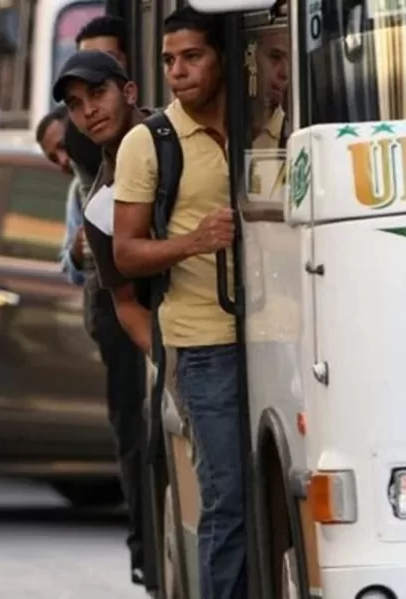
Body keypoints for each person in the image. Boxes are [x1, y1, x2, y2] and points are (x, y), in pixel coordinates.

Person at [112, 8, 244, 599]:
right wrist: (195, 241)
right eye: (169, 60)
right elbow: (125, 254)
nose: (178, 71)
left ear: (222, 57)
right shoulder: (148, 143)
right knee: (227, 499)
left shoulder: (265, 121)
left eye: (192, 57)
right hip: (201, 343)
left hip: (281, 334)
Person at [51, 49, 155, 589]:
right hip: (158, 347)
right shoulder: (99, 192)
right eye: (76, 104)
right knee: (140, 442)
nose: (89, 110)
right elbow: (123, 296)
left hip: (208, 336)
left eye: (98, 94)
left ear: (130, 92)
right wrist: (168, 358)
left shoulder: (169, 142)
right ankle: (147, 550)